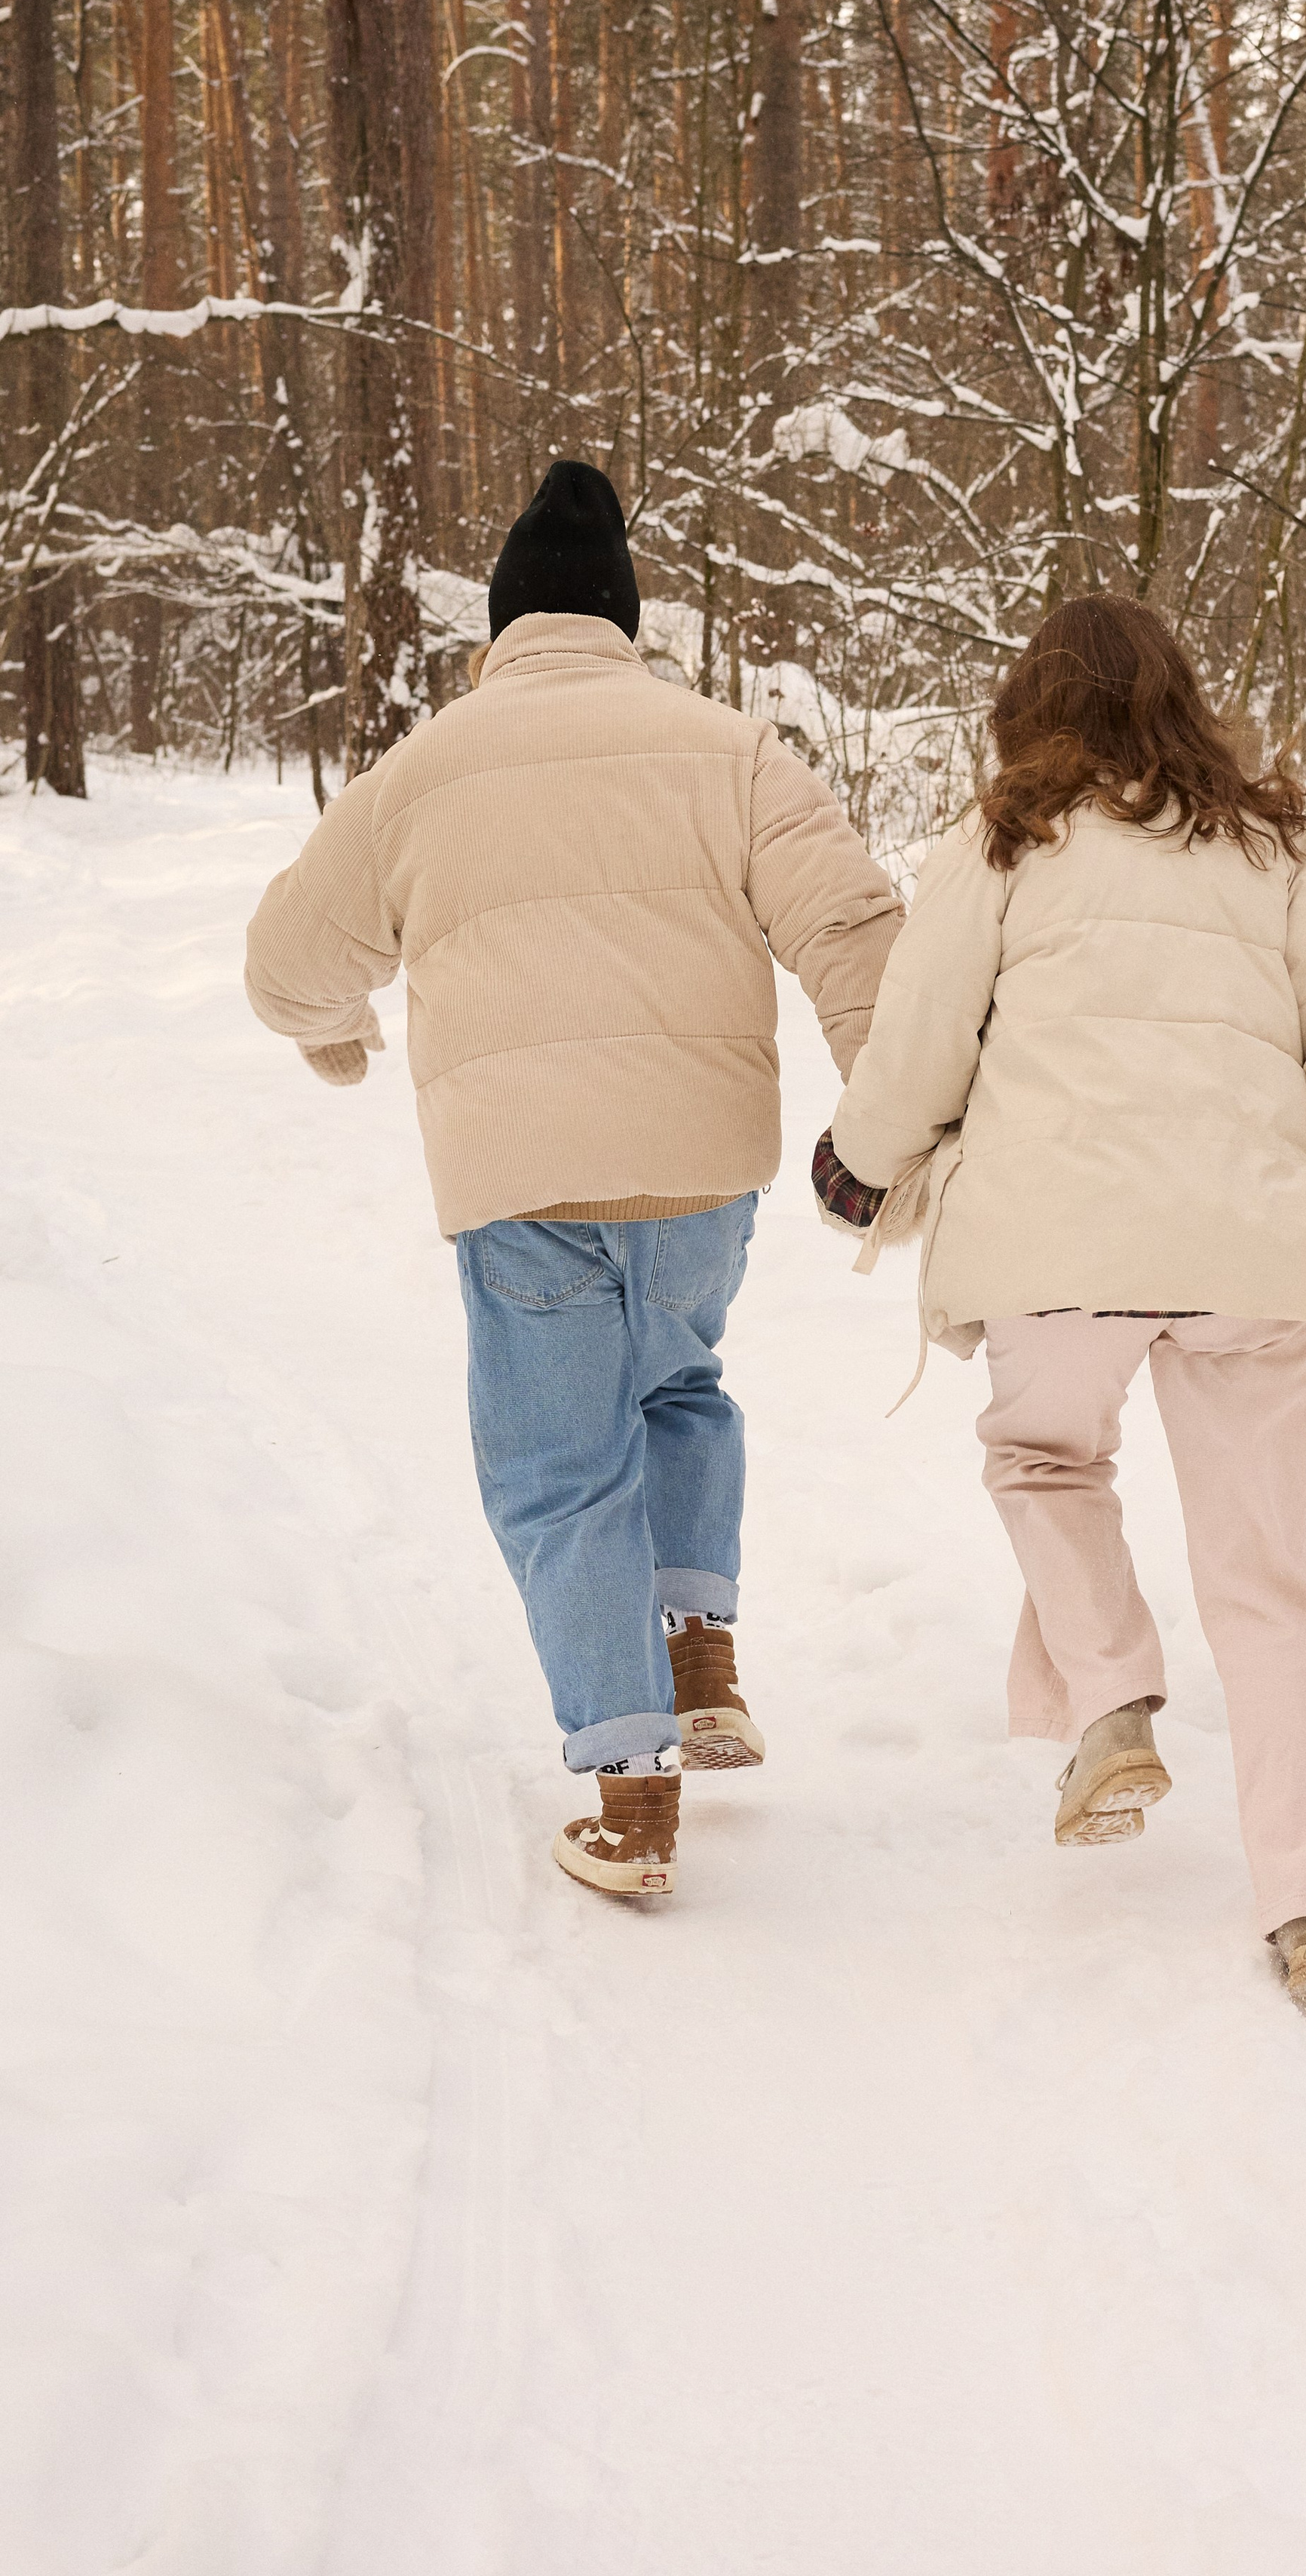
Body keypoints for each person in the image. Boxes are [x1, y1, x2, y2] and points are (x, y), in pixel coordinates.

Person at [813, 594, 1306, 2018]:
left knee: (1045, 1455)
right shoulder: (1286, 849)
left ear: (1032, 709)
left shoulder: (999, 845)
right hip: (1256, 1258)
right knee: (1268, 1581)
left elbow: (919, 1041)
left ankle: (1110, 1696)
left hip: (1059, 1252)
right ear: (1185, 701)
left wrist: (859, 1172)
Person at [245, 461, 903, 1902]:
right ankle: (699, 1650)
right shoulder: (730, 747)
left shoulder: (424, 770)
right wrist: (891, 1106)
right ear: (623, 616)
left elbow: (287, 962)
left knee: (559, 1472)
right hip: (699, 1176)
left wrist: (339, 1038)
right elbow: (854, 923)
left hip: (524, 1187)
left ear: (501, 628)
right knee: (678, 1387)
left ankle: (632, 1788)